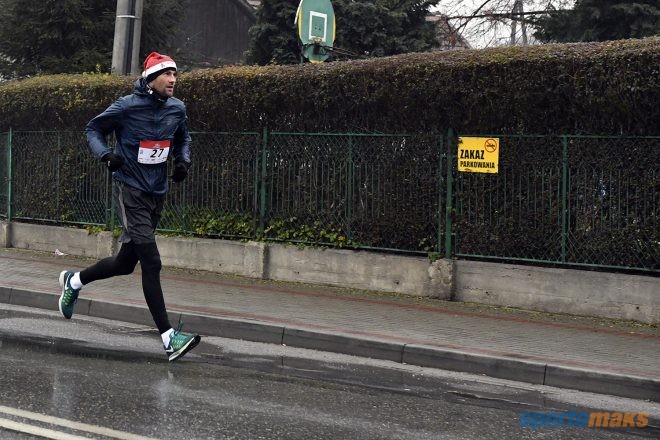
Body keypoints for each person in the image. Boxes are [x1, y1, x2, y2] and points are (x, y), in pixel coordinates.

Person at [58, 52, 200, 362]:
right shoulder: (127, 106)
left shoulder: (176, 108)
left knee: (125, 263)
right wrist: (106, 155)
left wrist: (183, 161)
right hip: (130, 190)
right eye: (166, 74)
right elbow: (93, 129)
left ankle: (74, 280)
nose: (173, 79)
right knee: (152, 261)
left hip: (157, 192)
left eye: (175, 74)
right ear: (151, 79)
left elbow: (183, 139)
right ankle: (169, 338)